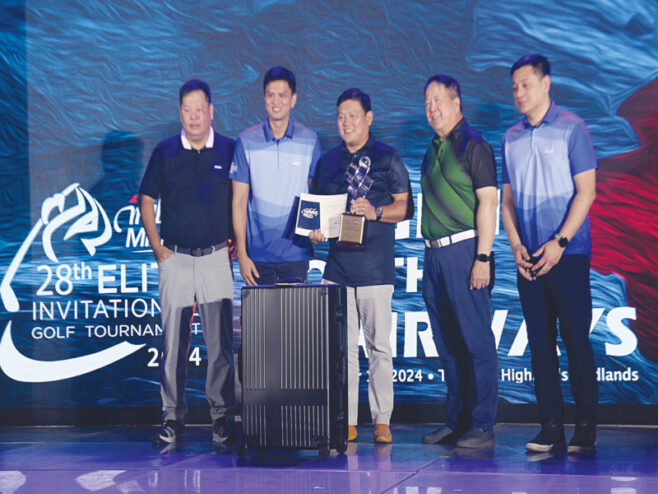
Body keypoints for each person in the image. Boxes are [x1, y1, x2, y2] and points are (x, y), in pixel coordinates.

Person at [501, 54, 598, 454]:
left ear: (546, 85)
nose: (519, 93)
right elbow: (506, 202)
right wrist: (516, 245)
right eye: (514, 87)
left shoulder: (572, 128)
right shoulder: (510, 137)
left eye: (526, 84)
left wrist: (559, 242)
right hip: (529, 261)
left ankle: (586, 428)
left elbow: (587, 191)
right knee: (540, 346)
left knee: (575, 341)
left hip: (569, 255)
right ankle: (551, 427)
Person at [310, 88, 411, 444]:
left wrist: (378, 212)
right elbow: (316, 212)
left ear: (369, 118)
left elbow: (405, 207)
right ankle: (347, 419)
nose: (346, 122)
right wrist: (315, 233)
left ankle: (382, 420)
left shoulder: (387, 158)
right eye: (340, 116)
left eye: (353, 115)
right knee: (341, 351)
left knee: (378, 348)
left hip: (375, 268)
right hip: (337, 268)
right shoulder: (326, 162)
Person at [139, 79, 236, 444]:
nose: (194, 116)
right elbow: (146, 199)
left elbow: (242, 202)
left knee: (219, 346)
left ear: (211, 111)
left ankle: (222, 418)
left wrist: (238, 249)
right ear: (180, 113)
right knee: (173, 345)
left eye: (200, 109)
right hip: (175, 259)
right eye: (187, 110)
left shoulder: (229, 149)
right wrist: (157, 248)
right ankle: (172, 417)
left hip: (215, 258)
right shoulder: (165, 151)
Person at [418, 75, 499, 449]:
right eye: (428, 102)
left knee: (475, 341)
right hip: (433, 254)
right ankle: (456, 420)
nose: (432, 108)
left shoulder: (474, 144)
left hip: (466, 251)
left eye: (439, 100)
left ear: (457, 101)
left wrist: (482, 257)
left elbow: (489, 203)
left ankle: (482, 425)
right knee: (448, 344)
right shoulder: (432, 149)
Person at [231, 66, 321, 285]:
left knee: (294, 319)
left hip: (296, 253)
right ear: (264, 98)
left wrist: (318, 229)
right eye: (271, 95)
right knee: (261, 320)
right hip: (257, 257)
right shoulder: (246, 140)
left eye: (283, 95)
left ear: (293, 99)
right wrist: (242, 255)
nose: (276, 101)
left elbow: (317, 194)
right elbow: (239, 201)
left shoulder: (310, 139)